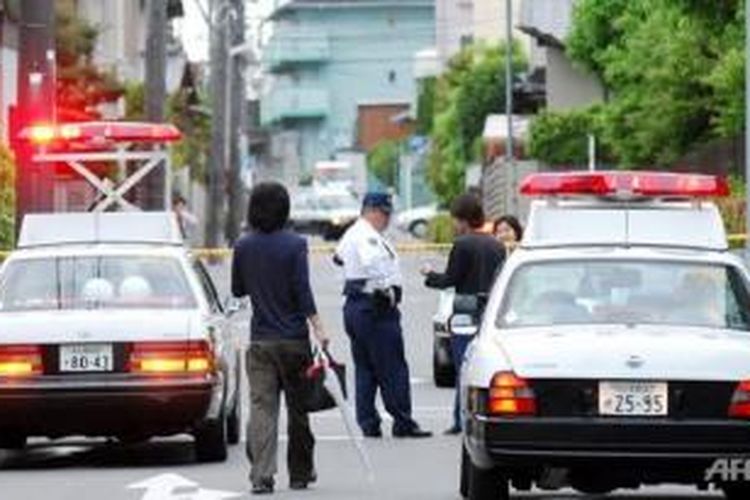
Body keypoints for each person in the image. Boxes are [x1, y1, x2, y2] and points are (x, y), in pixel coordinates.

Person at [231, 182, 330, 495]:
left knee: (262, 408)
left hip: (260, 341)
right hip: (294, 340)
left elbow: (238, 289)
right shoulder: (296, 244)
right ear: (285, 208)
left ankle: (262, 476)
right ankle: (300, 473)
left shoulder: (243, 246)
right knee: (298, 409)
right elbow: (302, 291)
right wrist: (319, 327)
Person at [334, 192, 432, 439]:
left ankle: (368, 422)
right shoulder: (366, 235)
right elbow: (373, 265)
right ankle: (402, 421)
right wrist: (386, 290)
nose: (387, 220)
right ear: (373, 211)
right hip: (374, 307)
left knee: (365, 367)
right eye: (385, 214)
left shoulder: (354, 232)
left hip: (357, 306)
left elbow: (338, 257)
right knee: (392, 367)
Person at [421, 194, 505, 435]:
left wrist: (429, 274)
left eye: (455, 220)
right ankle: (477, 417)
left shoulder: (462, 245)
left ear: (463, 219)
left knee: (463, 369)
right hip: (490, 312)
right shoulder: (496, 245)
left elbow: (450, 279)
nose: (454, 225)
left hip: (465, 315)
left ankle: (460, 420)